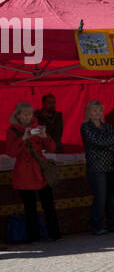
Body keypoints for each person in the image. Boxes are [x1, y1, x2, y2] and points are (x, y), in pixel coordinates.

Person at [6, 101, 62, 243]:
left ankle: (55, 233)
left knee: (48, 204)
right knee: (29, 207)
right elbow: (11, 152)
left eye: (30, 114)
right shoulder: (12, 130)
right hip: (24, 172)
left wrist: (44, 136)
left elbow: (52, 148)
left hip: (40, 170)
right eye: (24, 114)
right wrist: (23, 139)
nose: (27, 117)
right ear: (18, 115)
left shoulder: (37, 127)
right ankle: (33, 236)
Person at [81, 100, 114, 235]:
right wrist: (109, 143)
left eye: (99, 110)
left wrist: (108, 143)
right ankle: (97, 226)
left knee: (111, 197)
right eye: (94, 110)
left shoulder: (107, 126)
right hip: (96, 166)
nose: (97, 113)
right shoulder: (86, 127)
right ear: (88, 112)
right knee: (100, 197)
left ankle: (113, 224)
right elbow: (97, 141)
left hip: (110, 165)